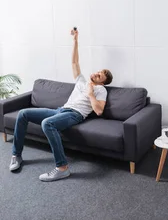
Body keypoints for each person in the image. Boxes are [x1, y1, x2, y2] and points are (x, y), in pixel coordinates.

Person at [9, 29, 113, 182]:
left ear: (102, 82)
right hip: (60, 110)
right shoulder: (81, 81)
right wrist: (76, 41)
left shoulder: (100, 90)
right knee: (23, 113)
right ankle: (16, 155)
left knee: (47, 124)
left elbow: (98, 110)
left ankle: (62, 168)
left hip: (74, 114)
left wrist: (91, 94)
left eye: (99, 75)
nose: (95, 74)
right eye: (97, 71)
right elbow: (74, 62)